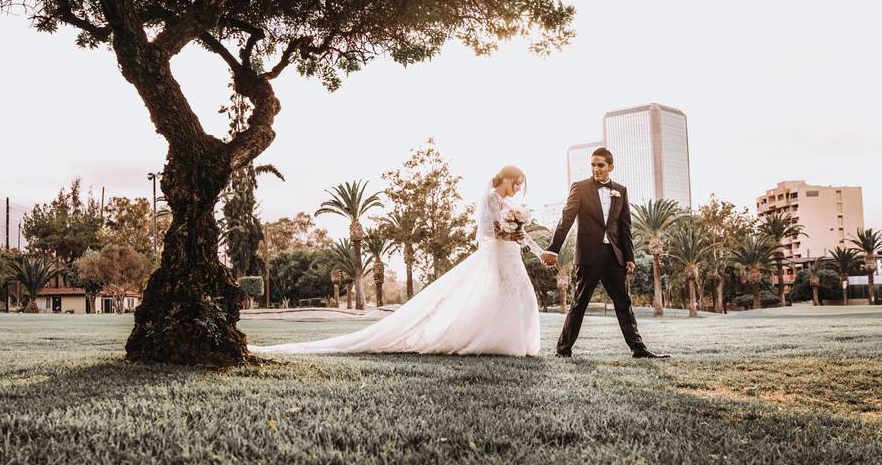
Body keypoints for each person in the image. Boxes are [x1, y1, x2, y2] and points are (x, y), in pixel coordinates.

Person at [249, 165, 548, 356]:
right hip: (498, 255)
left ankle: (514, 343)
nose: (518, 189)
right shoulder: (491, 199)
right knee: (507, 293)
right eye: (517, 183)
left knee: (521, 295)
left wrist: (537, 251)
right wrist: (509, 233)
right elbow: (490, 232)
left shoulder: (511, 204)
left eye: (521, 185)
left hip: (512, 256)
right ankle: (497, 342)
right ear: (506, 178)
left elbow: (519, 233)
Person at [540, 148, 669, 359]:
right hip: (588, 256)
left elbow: (624, 227)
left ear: (611, 166)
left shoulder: (621, 190)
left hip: (614, 256)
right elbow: (566, 219)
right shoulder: (580, 188)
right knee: (580, 302)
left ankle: (639, 349)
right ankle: (563, 350)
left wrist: (629, 257)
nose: (596, 169)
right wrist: (553, 249)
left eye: (600, 165)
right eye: (593, 164)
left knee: (623, 302)